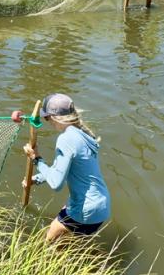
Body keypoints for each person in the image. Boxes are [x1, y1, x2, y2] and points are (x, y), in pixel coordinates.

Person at [23, 93, 111, 241]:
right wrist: (36, 179)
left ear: (54, 117)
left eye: (47, 117)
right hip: (101, 206)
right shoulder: (82, 133)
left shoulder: (66, 139)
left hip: (86, 209)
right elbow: (60, 169)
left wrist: (36, 159)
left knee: (48, 243)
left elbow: (56, 183)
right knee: (67, 244)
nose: (48, 121)